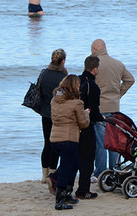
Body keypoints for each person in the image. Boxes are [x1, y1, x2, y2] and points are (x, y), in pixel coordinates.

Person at [91, 39, 135, 177]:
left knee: (101, 142)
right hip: (115, 107)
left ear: (95, 49)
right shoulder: (118, 63)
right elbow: (130, 80)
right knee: (114, 141)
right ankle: (115, 169)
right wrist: (118, 94)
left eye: (91, 50)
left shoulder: (94, 64)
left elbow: (88, 84)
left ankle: (101, 172)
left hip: (99, 107)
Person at [50, 74, 90, 210]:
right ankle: (59, 200)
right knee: (66, 169)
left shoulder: (54, 100)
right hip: (69, 139)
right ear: (75, 86)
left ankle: (66, 193)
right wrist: (87, 114)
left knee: (74, 164)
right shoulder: (77, 103)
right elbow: (83, 123)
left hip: (55, 139)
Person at [75, 55, 104, 200]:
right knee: (87, 159)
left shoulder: (76, 82)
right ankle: (83, 190)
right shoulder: (93, 86)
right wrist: (102, 118)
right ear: (95, 69)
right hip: (85, 126)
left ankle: (57, 180)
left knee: (74, 158)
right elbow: (94, 111)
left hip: (72, 126)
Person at [38, 49, 68, 185]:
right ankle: (52, 174)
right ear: (62, 61)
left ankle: (44, 175)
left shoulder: (44, 73)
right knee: (55, 144)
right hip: (58, 114)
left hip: (45, 113)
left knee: (47, 143)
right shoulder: (63, 76)